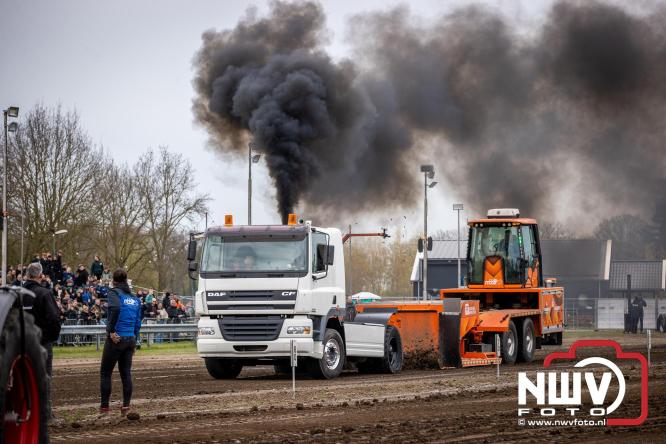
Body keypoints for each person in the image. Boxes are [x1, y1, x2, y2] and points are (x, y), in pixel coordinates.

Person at [22, 262, 62, 422]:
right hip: (42, 343)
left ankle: (26, 413)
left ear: (27, 275)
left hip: (21, 344)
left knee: (24, 379)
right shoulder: (44, 293)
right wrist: (50, 337)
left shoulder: (18, 294)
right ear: (40, 275)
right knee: (44, 379)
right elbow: (54, 319)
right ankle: (45, 415)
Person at [99, 268, 142, 416]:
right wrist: (134, 339)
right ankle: (126, 407)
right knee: (126, 374)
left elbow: (115, 308)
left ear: (113, 281)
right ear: (126, 280)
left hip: (116, 339)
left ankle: (104, 408)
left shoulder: (113, 292)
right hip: (130, 339)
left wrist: (110, 330)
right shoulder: (135, 299)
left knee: (105, 373)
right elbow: (138, 322)